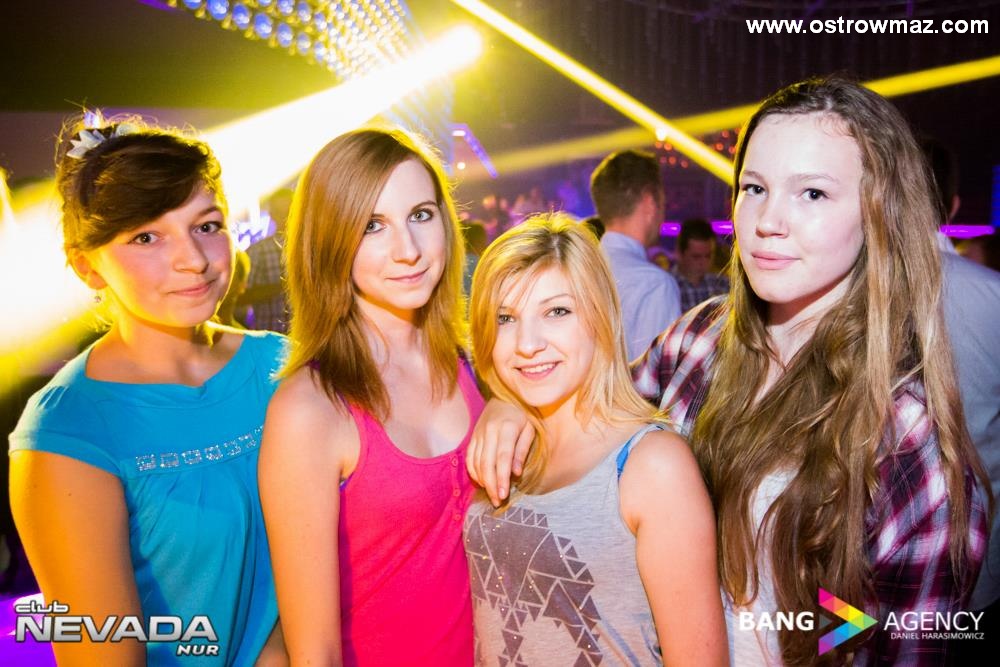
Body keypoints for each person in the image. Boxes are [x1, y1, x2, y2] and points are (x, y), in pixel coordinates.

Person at [467, 77, 990, 665]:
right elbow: (591, 417)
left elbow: (899, 646)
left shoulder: (909, 442)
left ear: (879, 214)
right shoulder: (699, 341)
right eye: (754, 188)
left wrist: (806, 631)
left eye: (812, 193)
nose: (768, 220)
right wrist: (511, 405)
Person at [8, 117, 286, 665]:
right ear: (88, 266)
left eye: (207, 225)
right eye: (146, 237)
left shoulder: (284, 365)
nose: (194, 259)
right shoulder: (68, 432)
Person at [258, 127, 483, 666]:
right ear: (331, 242)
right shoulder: (311, 408)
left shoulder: (476, 365)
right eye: (372, 226)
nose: (409, 250)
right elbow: (314, 653)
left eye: (421, 215)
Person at [465, 214, 727, 665]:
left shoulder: (652, 465)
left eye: (556, 312)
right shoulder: (502, 445)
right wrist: (501, 404)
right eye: (505, 318)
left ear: (599, 318)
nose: (527, 343)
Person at [591, 150, 681, 360]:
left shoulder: (580, 267)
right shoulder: (654, 284)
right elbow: (656, 374)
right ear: (649, 202)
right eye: (663, 203)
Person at [242, 188, 293, 333]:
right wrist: (284, 286)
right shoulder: (257, 251)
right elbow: (241, 297)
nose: (285, 216)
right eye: (279, 211)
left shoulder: (311, 248)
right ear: (272, 215)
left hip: (308, 338)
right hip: (271, 336)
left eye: (289, 210)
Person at [672, 218, 730, 313]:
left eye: (708, 256)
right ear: (679, 254)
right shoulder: (669, 286)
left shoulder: (723, 284)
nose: (703, 262)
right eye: (696, 257)